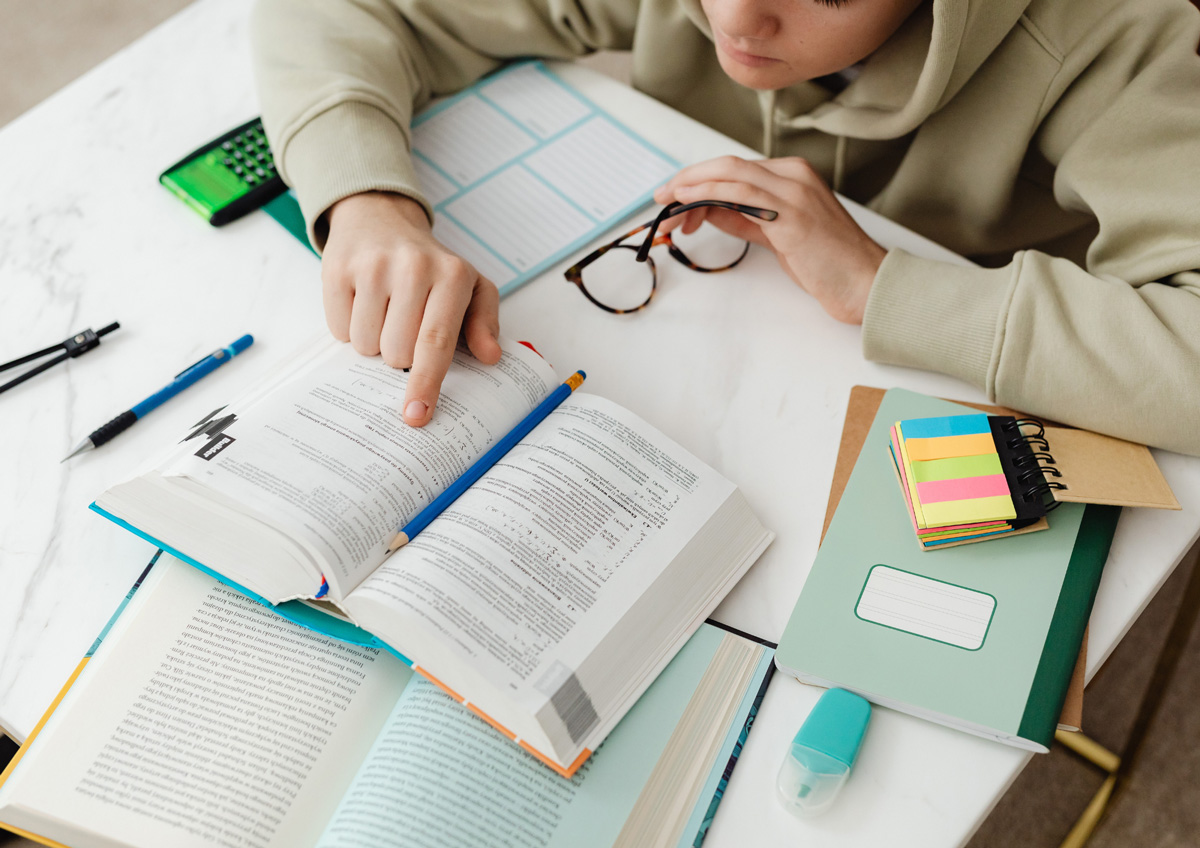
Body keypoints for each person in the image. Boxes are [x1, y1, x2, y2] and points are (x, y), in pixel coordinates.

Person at [251, 0, 1200, 456]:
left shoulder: (1122, 33)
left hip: (967, 421)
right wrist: (365, 201)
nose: (737, 17)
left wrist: (882, 284)